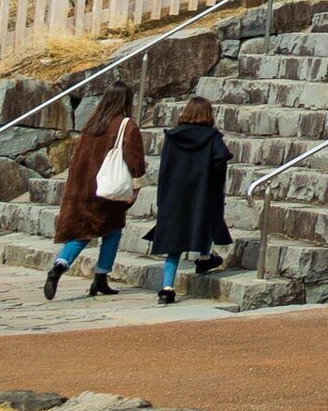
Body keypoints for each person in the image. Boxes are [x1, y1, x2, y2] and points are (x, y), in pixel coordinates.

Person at [45, 85, 144, 299]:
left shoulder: (92, 124)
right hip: (108, 188)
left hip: (82, 186)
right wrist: (137, 181)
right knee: (113, 229)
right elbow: (134, 157)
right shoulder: (126, 125)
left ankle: (61, 264)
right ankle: (101, 276)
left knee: (83, 231)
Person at [149, 95, 235, 304]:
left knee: (174, 243)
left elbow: (165, 168)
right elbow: (221, 157)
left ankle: (167, 287)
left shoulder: (172, 136)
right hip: (201, 192)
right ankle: (204, 257)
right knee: (204, 221)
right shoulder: (212, 137)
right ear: (208, 114)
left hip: (174, 194)